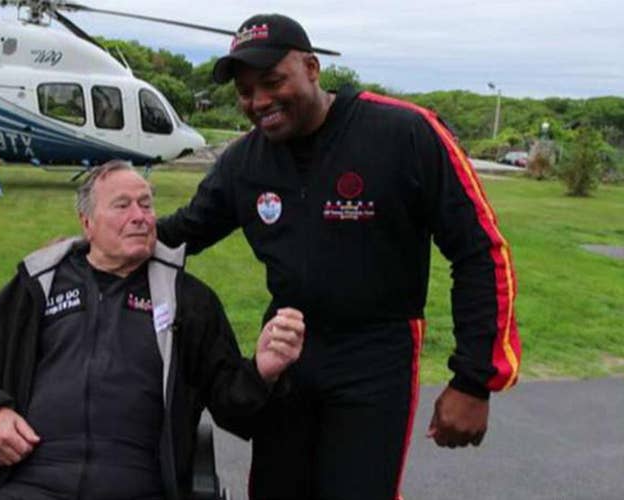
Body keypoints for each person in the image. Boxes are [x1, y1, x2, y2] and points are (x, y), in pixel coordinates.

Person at [156, 13, 522, 500]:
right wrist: (90, 246)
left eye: (272, 81)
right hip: (286, 350)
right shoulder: (245, 161)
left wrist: (474, 381)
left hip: (376, 353)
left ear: (311, 68)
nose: (258, 101)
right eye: (245, 92)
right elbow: (183, 233)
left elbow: (480, 251)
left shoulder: (404, 133)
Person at [0, 161, 305, 500]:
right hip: (30, 481)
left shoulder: (187, 299)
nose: (141, 217)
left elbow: (231, 403)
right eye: (122, 206)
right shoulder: (39, 286)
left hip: (134, 485)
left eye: (146, 205)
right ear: (87, 222)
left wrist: (262, 372)